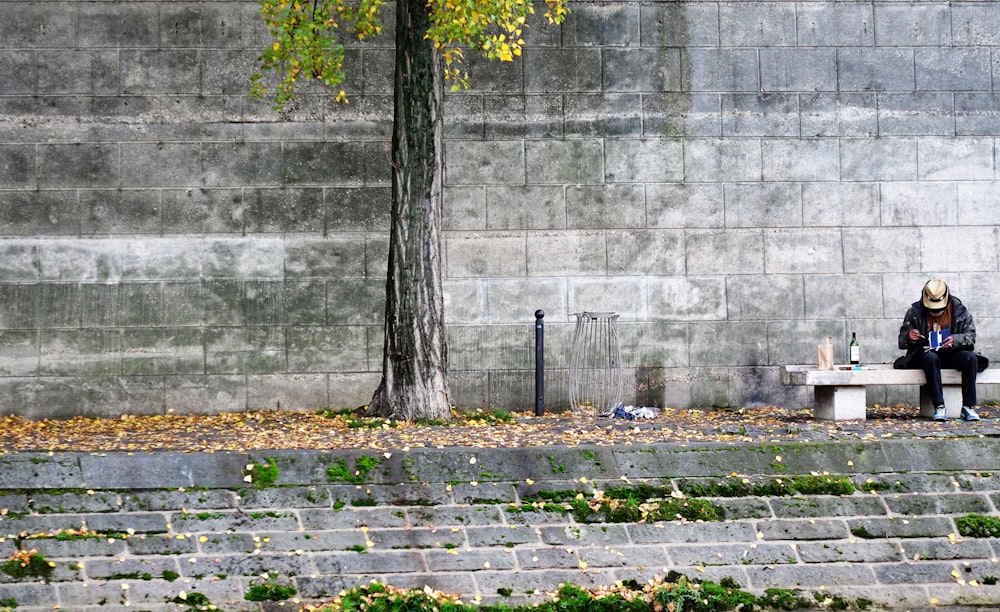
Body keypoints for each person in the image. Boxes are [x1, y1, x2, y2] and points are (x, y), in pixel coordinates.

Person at [896, 278, 983, 422]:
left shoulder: (960, 311)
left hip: (952, 353)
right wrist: (910, 337)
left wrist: (955, 340)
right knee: (931, 358)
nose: (935, 312)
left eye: (939, 309)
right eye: (932, 309)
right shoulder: (915, 312)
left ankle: (968, 406)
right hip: (924, 355)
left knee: (970, 358)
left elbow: (970, 336)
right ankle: (939, 406)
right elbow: (901, 341)